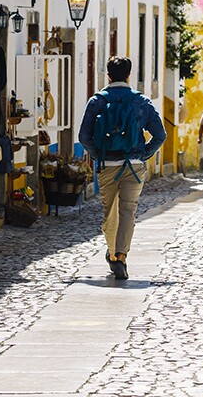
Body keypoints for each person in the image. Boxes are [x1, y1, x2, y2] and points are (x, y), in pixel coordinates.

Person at [79, 56, 166, 280]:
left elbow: (83, 136)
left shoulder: (97, 101)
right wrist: (143, 153)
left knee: (110, 212)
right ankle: (121, 255)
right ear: (129, 75)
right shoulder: (141, 101)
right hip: (134, 165)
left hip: (108, 164)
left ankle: (112, 254)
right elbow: (160, 135)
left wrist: (99, 155)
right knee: (128, 210)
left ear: (108, 75)